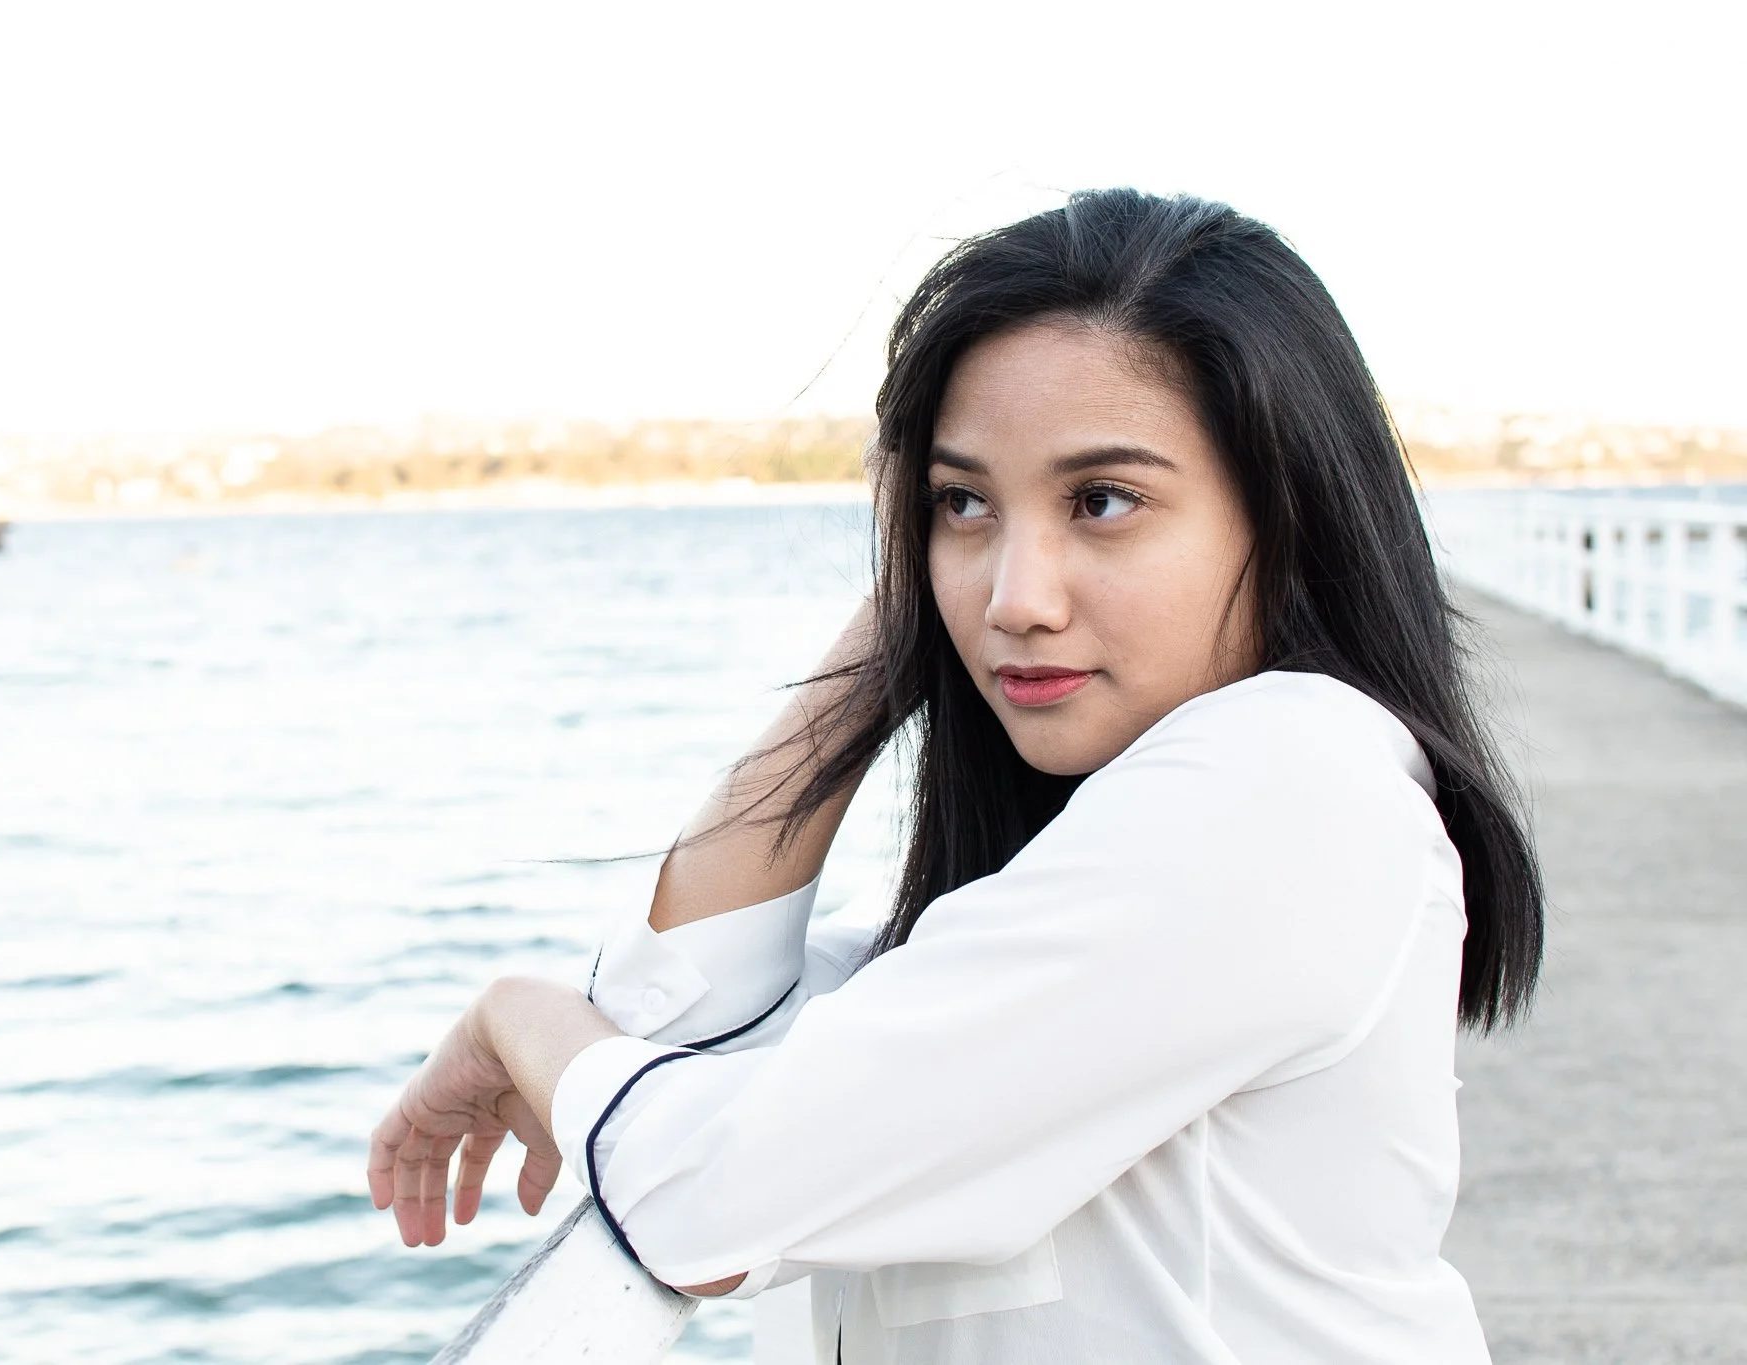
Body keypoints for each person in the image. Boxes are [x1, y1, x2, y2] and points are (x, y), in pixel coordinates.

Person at [366, 188, 1544, 1363]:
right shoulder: (1084, 841)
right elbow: (673, 1029)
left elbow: (699, 1199)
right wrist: (898, 624)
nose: (1013, 597)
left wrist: (512, 1014)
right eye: (962, 503)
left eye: (1101, 502)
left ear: (1286, 514)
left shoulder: (1282, 783)